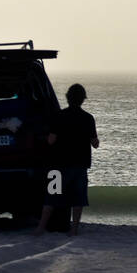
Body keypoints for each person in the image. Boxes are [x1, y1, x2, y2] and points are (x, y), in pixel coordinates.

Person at [36, 83, 99, 236]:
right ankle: (74, 229)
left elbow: (51, 140)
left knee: (51, 197)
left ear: (68, 98)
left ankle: (40, 228)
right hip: (79, 165)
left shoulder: (59, 116)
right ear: (83, 99)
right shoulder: (88, 118)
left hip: (57, 165)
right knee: (77, 199)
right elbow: (95, 143)